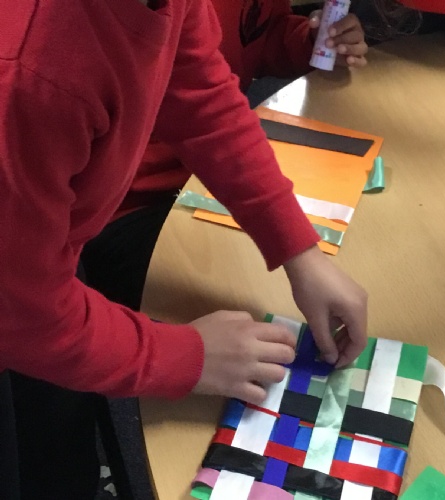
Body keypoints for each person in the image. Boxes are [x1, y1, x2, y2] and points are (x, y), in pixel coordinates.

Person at [0, 0, 367, 498]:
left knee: (60, 429)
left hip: (37, 262)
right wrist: (186, 357)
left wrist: (300, 251)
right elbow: (24, 317)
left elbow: (201, 96)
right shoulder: (26, 77)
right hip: (23, 302)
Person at [81, 0, 368, 312]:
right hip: (125, 208)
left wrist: (301, 253)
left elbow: (217, 89)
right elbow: (45, 310)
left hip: (204, 183)